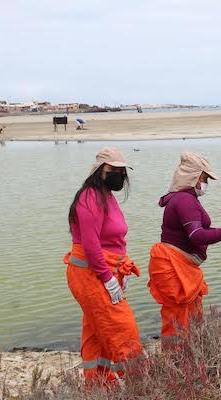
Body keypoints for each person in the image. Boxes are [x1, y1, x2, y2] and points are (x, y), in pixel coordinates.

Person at [148, 151, 221, 347]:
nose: (206, 183)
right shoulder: (184, 200)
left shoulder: (184, 198)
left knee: (191, 318)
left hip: (180, 266)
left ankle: (189, 357)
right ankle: (175, 359)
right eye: (205, 178)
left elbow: (197, 232)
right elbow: (197, 235)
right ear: (194, 177)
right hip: (174, 267)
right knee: (178, 320)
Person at [64, 147, 142, 385]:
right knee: (123, 328)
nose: (120, 175)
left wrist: (120, 272)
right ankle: (140, 382)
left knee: (97, 331)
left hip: (104, 270)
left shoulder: (106, 195)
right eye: (114, 170)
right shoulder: (90, 197)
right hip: (91, 274)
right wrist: (108, 278)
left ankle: (97, 385)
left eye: (122, 171)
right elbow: (91, 245)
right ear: (100, 170)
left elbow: (113, 241)